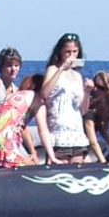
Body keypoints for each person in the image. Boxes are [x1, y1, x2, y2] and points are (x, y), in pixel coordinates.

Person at [34, 33, 90, 164]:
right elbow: (44, 93)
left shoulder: (77, 76)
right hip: (58, 133)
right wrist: (61, 69)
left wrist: (87, 92)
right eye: (67, 52)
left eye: (74, 52)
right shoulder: (53, 69)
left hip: (76, 134)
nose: (71, 56)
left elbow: (83, 110)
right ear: (61, 52)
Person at [0, 74, 41, 168]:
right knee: (29, 165)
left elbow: (22, 127)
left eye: (16, 66)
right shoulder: (32, 97)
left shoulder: (14, 94)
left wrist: (32, 151)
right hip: (2, 138)